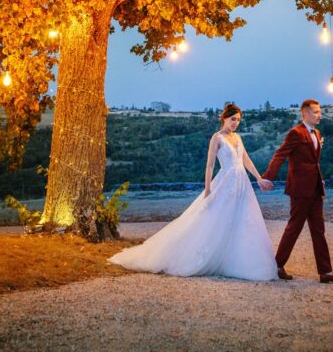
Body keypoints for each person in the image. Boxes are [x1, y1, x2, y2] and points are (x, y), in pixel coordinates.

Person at [108, 103, 278, 280]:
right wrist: (207, 188)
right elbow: (210, 165)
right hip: (225, 181)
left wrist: (259, 178)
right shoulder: (217, 138)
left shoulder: (238, 138)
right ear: (225, 118)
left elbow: (246, 160)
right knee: (215, 218)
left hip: (242, 183)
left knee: (242, 219)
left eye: (238, 120)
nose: (235, 123)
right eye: (233, 119)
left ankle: (238, 259)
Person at [263, 99, 333, 284]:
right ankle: (277, 266)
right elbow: (280, 155)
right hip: (300, 189)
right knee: (294, 228)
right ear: (305, 114)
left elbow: (313, 161)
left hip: (316, 188)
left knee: (319, 230)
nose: (319, 115)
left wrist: (320, 180)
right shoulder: (296, 132)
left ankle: (326, 273)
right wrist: (268, 177)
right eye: (316, 112)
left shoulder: (317, 133)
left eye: (319, 112)